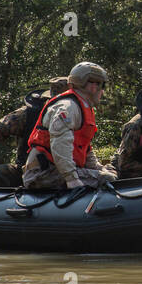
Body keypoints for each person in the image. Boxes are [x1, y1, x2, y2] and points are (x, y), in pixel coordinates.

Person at [21, 62, 118, 190]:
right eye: (101, 85)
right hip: (43, 174)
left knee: (109, 173)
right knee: (107, 178)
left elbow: (84, 147)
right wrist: (72, 179)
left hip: (55, 171)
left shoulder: (82, 106)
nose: (102, 90)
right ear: (93, 86)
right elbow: (59, 144)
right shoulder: (68, 107)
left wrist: (98, 168)